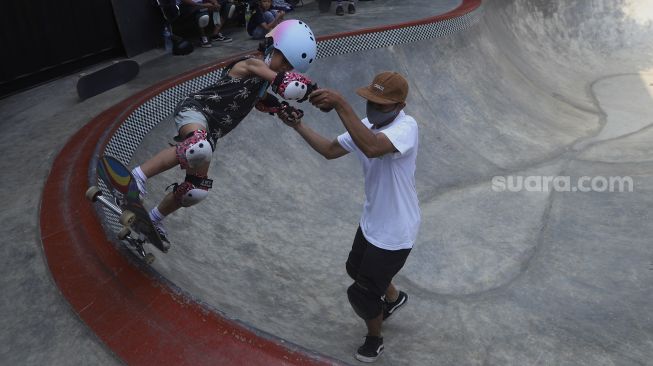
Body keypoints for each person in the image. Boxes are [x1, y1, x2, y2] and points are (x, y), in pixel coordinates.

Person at [130, 20, 318, 242]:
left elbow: (263, 100)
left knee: (196, 189)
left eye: (290, 66)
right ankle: (137, 177)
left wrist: (283, 109)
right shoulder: (251, 64)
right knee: (198, 146)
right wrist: (312, 92)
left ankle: (154, 219)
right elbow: (285, 85)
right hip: (195, 110)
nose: (284, 68)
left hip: (211, 133)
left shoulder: (264, 85)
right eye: (284, 61)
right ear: (272, 46)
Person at [278, 71, 419, 363]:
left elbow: (373, 147)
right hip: (371, 222)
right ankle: (393, 298)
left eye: (381, 104)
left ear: (399, 105)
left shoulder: (407, 127)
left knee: (362, 294)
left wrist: (341, 103)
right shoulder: (365, 125)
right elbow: (330, 150)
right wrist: (298, 126)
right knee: (355, 269)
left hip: (396, 232)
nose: (373, 108)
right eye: (370, 101)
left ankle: (374, 338)